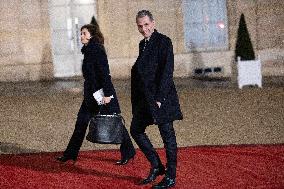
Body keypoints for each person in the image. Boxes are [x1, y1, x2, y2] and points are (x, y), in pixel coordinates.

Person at [56, 23, 135, 165]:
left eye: (84, 33)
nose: (81, 36)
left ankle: (128, 152)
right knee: (80, 123)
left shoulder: (96, 50)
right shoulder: (88, 50)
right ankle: (70, 154)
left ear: (92, 35)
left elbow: (105, 74)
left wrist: (108, 95)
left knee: (115, 122)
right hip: (91, 95)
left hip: (101, 95)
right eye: (80, 33)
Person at [130, 10, 183, 188]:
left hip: (162, 97)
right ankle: (156, 166)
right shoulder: (142, 44)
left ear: (153, 23)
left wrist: (159, 98)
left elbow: (167, 72)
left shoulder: (164, 41)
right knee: (136, 130)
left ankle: (171, 176)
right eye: (140, 26)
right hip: (146, 98)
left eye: (146, 24)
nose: (144, 29)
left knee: (168, 137)